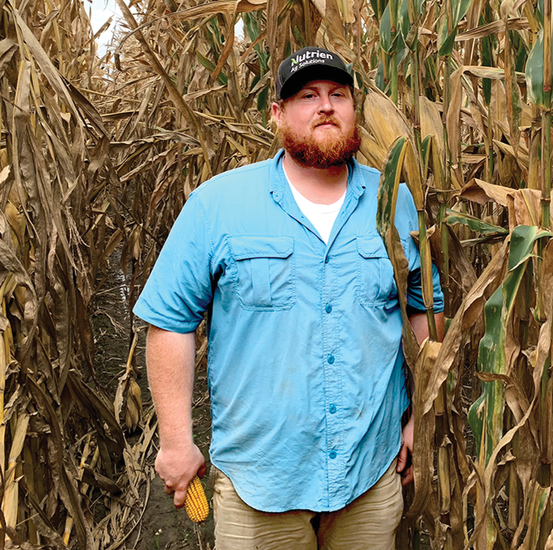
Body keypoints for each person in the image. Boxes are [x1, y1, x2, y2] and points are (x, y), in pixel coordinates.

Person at [133, 46, 445, 549]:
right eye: (307, 96)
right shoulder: (219, 204)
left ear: (353, 109)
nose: (326, 105)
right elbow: (170, 322)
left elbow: (422, 311)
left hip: (368, 472)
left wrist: (421, 422)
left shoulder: (395, 200)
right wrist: (174, 441)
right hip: (261, 484)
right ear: (277, 114)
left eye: (337, 94)